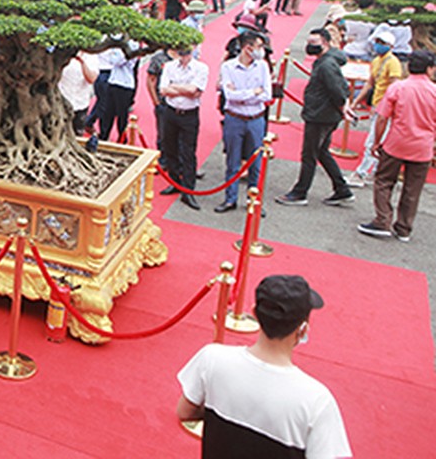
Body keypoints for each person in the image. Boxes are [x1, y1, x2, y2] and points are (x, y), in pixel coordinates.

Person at [176, 275, 350, 458]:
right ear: (303, 329)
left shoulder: (212, 358)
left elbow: (185, 412)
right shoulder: (317, 400)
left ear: (255, 314)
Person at [357, 50, 436, 243]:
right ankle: (404, 227)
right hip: (422, 147)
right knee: (413, 188)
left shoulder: (398, 88)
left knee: (384, 181)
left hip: (396, 142)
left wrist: (377, 142)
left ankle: (383, 219)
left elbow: (382, 117)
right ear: (429, 69)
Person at [276, 29, 354, 207]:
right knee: (321, 152)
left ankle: (300, 192)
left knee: (309, 154)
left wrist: (344, 107)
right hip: (323, 113)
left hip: (321, 115)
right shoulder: (327, 62)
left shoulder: (326, 65)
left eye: (314, 43)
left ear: (325, 43)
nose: (310, 46)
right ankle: (342, 189)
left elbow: (338, 90)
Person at [217, 32, 272, 213]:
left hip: (256, 120)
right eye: (259, 46)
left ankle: (254, 200)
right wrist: (253, 93)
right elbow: (230, 96)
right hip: (234, 118)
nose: (262, 51)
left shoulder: (263, 66)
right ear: (248, 48)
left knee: (256, 163)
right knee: (232, 162)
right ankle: (230, 199)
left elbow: (267, 95)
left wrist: (243, 94)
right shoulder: (228, 67)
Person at [348, 30, 403, 188]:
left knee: (373, 141)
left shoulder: (393, 62)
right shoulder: (377, 60)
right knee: (378, 140)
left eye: (382, 43)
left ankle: (362, 173)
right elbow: (370, 83)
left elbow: (393, 87)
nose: (378, 45)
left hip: (385, 108)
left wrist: (386, 106)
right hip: (378, 105)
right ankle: (375, 171)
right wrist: (356, 101)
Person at [159, 47, 208, 212]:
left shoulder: (201, 68)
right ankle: (174, 182)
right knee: (169, 147)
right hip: (171, 112)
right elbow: (163, 90)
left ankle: (188, 189)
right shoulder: (170, 66)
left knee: (188, 152)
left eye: (187, 51)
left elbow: (194, 91)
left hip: (189, 115)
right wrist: (184, 89)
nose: (184, 54)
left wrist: (175, 88)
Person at [59, 50, 99, 136]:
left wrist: (82, 62)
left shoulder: (91, 56)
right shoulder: (62, 52)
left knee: (77, 132)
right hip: (61, 99)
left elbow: (92, 78)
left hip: (80, 102)